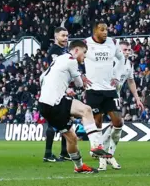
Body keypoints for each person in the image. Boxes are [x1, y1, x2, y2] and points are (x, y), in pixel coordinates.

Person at [38, 40, 110, 174]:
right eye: (84, 53)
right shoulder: (71, 60)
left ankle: (79, 166)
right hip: (56, 102)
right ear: (76, 50)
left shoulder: (58, 60)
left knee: (72, 138)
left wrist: (63, 89)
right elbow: (78, 84)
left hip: (43, 105)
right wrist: (80, 81)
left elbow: (42, 78)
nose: (84, 57)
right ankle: (95, 146)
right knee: (86, 110)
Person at [83, 21, 125, 171]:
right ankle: (102, 158)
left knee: (118, 122)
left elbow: (122, 59)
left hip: (109, 89)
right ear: (95, 31)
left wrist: (117, 76)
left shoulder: (113, 43)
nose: (105, 32)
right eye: (102, 30)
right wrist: (80, 76)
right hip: (93, 90)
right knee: (97, 123)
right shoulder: (85, 43)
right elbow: (74, 60)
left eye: (106, 29)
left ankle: (110, 152)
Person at [100, 41, 144, 170]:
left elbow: (130, 81)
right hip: (102, 95)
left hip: (114, 97)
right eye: (124, 50)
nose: (127, 52)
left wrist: (137, 98)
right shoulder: (110, 61)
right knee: (99, 124)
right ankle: (100, 151)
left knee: (118, 123)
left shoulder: (129, 64)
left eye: (128, 50)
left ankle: (107, 154)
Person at [43, 27, 70, 163]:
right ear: (56, 37)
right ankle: (48, 154)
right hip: (54, 90)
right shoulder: (54, 51)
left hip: (62, 89)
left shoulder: (64, 51)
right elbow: (56, 70)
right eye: (62, 35)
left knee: (65, 121)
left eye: (66, 35)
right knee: (53, 122)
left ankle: (64, 152)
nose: (65, 38)